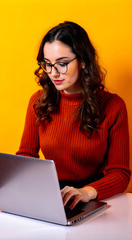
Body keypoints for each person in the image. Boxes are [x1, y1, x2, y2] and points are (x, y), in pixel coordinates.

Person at [16, 21, 131, 210]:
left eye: (62, 64)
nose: (53, 73)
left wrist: (87, 191)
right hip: (52, 195)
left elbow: (120, 173)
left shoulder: (113, 106)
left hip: (94, 195)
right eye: (47, 64)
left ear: (83, 61)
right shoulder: (38, 102)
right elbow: (26, 157)